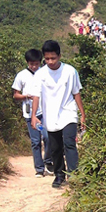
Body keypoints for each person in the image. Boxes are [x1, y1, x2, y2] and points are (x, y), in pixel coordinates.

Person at [31, 40, 86, 189]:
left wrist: (82, 114)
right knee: (55, 148)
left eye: (53, 58)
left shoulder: (70, 71)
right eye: (47, 59)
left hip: (68, 113)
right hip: (50, 115)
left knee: (69, 143)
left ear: (60, 56)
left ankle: (74, 176)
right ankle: (59, 175)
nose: (50, 62)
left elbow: (76, 93)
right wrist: (34, 115)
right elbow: (36, 96)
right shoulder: (40, 74)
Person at [12, 49, 53, 177]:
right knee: (35, 141)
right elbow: (15, 95)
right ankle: (39, 169)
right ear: (27, 63)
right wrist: (26, 96)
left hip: (45, 112)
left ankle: (48, 161)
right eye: (31, 64)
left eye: (36, 64)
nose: (34, 66)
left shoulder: (45, 73)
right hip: (30, 114)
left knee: (47, 137)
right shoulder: (21, 75)